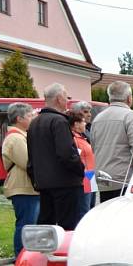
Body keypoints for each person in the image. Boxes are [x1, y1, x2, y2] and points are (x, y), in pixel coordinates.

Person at [27, 83, 85, 230]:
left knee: (46, 226)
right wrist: (80, 169)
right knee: (69, 227)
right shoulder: (59, 121)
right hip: (65, 183)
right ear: (59, 98)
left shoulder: (34, 123)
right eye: (66, 97)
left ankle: (45, 253)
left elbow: (31, 158)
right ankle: (67, 253)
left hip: (44, 183)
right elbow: (66, 153)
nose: (68, 101)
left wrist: (36, 179)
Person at [91, 81, 133, 202]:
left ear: (110, 97)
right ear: (129, 98)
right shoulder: (131, 117)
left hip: (103, 180)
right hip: (125, 180)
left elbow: (93, 147)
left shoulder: (97, 119)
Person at [2, 103, 39, 256]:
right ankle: (21, 257)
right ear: (19, 119)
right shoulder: (16, 138)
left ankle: (27, 256)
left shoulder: (21, 136)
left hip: (27, 188)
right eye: (30, 116)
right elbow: (28, 162)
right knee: (26, 225)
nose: (32, 118)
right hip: (22, 188)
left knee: (30, 224)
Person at [69, 110, 96, 220]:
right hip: (84, 177)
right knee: (83, 210)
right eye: (83, 121)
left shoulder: (82, 137)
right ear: (76, 124)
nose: (85, 124)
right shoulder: (74, 139)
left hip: (90, 176)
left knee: (90, 208)